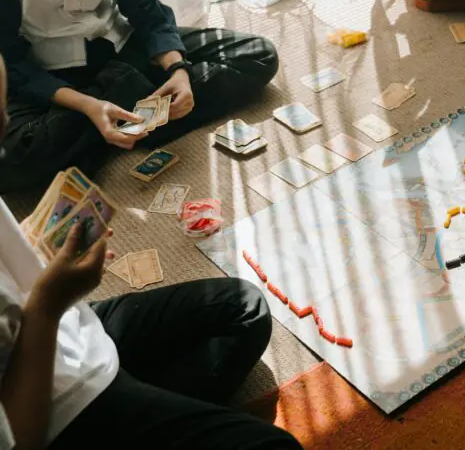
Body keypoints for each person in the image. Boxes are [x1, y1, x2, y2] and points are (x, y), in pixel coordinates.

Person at [0, 58, 301, 448]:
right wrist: (48, 304)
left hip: (72, 336)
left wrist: (24, 249)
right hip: (53, 405)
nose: (6, 125)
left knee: (244, 309)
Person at [0, 0, 279, 194]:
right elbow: (9, 58)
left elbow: (144, 5)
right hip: (45, 76)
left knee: (257, 55)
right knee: (12, 161)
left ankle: (108, 128)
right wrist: (87, 105)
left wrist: (177, 69)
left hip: (121, 50)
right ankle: (128, 110)